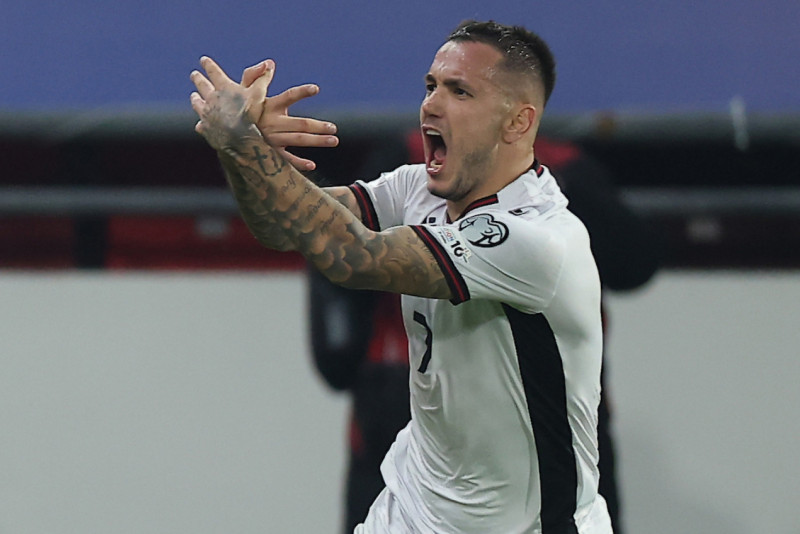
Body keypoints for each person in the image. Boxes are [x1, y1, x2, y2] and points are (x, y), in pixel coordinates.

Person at [190, 19, 613, 533]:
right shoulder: (419, 188)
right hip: (412, 508)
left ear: (517, 123)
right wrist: (243, 149)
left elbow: (353, 256)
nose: (431, 104)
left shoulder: (536, 239)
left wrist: (244, 144)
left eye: (460, 91)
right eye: (431, 86)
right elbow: (285, 227)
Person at [310, 135, 661, 534]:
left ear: (519, 115)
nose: (436, 108)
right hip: (403, 407)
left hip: (544, 424)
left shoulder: (559, 192)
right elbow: (335, 242)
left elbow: (636, 261)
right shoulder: (406, 172)